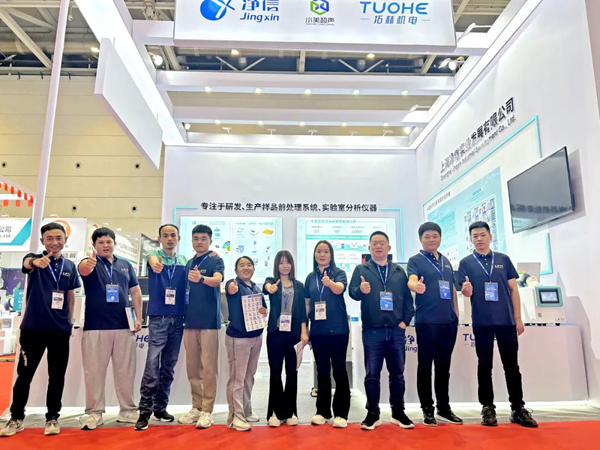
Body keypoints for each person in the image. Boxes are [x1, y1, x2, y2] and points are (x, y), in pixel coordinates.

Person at [0, 223, 81, 438]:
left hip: (59, 330)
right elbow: (27, 263)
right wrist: (35, 261)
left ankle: (52, 417)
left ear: (65, 240)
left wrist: (70, 321)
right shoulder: (35, 259)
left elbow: (70, 295)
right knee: (25, 375)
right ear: (42, 241)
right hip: (33, 329)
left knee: (57, 376)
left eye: (58, 238)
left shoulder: (70, 266)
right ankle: (16, 418)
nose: (54, 242)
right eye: (49, 238)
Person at [458, 221, 538, 428]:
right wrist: (465, 290)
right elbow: (464, 291)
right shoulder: (466, 263)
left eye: (482, 235)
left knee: (511, 366)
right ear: (471, 239)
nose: (479, 239)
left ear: (490, 236)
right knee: (484, 366)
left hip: (506, 321)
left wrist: (518, 318)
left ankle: (518, 408)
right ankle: (487, 408)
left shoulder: (503, 259)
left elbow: (513, 289)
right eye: (475, 236)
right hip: (482, 322)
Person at [78, 227, 142, 430]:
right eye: (101, 242)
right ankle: (94, 413)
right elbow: (83, 270)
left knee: (126, 371)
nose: (105, 245)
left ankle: (127, 410)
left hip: (124, 326)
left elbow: (135, 291)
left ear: (114, 244)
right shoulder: (90, 263)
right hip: (96, 326)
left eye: (108, 242)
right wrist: (87, 264)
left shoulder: (125, 265)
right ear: (94, 245)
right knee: (94, 372)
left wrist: (139, 317)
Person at [349, 231, 414, 431]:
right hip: (372, 330)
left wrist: (404, 322)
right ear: (369, 248)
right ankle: (372, 413)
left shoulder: (398, 271)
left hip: (396, 330)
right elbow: (352, 292)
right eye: (374, 243)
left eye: (382, 243)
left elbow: (408, 300)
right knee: (372, 374)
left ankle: (398, 412)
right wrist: (361, 290)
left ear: (388, 247)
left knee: (398, 374)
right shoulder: (362, 269)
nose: (378, 246)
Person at [407, 222, 462, 427]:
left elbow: (452, 289)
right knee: (425, 366)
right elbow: (411, 280)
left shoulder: (446, 261)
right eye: (427, 237)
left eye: (435, 236)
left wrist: (456, 314)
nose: (431, 240)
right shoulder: (415, 260)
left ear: (440, 238)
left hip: (448, 322)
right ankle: (427, 409)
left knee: (443, 367)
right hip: (427, 321)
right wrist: (415, 286)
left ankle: (444, 408)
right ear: (421, 239)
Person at [135, 224, 188, 431]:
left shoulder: (183, 260)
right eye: (165, 235)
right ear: (159, 239)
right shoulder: (154, 256)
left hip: (178, 318)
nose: (169, 239)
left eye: (173, 235)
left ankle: (160, 407)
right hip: (158, 318)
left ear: (179, 238)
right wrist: (155, 264)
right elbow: (151, 259)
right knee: (152, 366)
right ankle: (144, 411)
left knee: (169, 366)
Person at [179, 224, 224, 429]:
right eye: (196, 238)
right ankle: (196, 407)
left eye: (203, 238)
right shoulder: (189, 262)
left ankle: (207, 410)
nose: (199, 242)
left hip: (209, 322)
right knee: (192, 368)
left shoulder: (216, 260)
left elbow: (218, 280)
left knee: (209, 368)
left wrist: (202, 278)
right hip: (190, 322)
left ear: (210, 241)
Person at [304, 240, 350, 429]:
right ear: (314, 255)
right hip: (318, 331)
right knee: (322, 371)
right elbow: (307, 303)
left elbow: (339, 289)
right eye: (319, 251)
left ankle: (341, 413)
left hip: (338, 330)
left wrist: (329, 283)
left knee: (339, 370)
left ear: (331, 255)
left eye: (326, 252)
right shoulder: (310, 277)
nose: (322, 255)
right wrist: (306, 327)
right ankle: (322, 411)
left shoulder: (338, 273)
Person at [263, 250, 308, 427]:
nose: (285, 265)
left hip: (294, 334)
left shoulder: (299, 286)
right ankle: (274, 412)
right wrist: (269, 287)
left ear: (292, 265)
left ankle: (290, 412)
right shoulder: (272, 281)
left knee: (292, 373)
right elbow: (266, 287)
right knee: (275, 373)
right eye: (281, 262)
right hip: (275, 333)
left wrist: (304, 332)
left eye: (287, 262)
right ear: (277, 265)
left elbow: (303, 311)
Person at [224, 256, 268, 431]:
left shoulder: (255, 287)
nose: (246, 267)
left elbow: (262, 310)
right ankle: (235, 416)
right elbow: (230, 289)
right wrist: (231, 288)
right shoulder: (234, 284)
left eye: (249, 264)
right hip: (239, 338)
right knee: (237, 378)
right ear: (236, 270)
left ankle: (246, 409)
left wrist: (263, 311)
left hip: (256, 336)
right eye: (241, 265)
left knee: (249, 376)